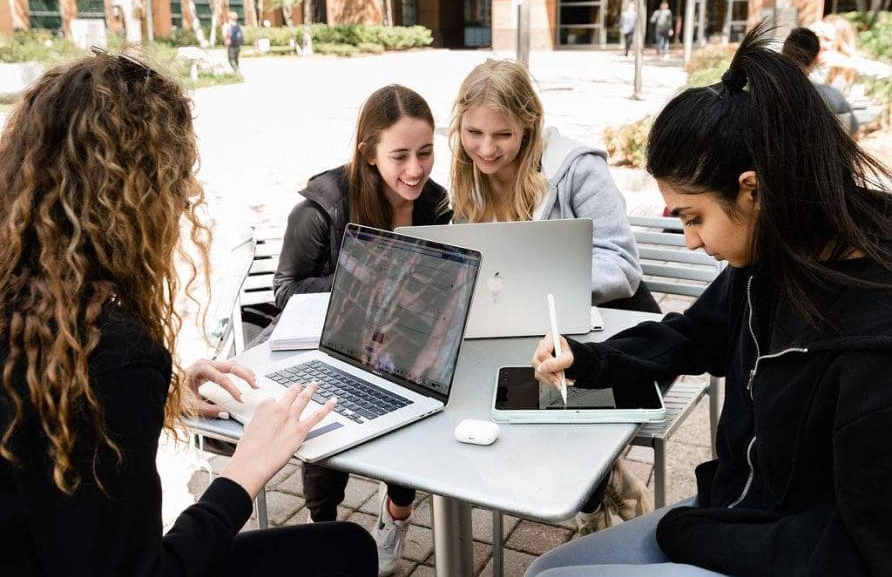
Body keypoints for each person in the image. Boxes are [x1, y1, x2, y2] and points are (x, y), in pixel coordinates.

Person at [527, 22, 892, 576]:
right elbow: (696, 334)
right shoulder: (775, 250)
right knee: (543, 571)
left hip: (781, 550)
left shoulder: (871, 344)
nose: (692, 241)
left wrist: (694, 535)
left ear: (753, 189)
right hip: (731, 514)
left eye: (695, 218)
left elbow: (857, 545)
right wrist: (591, 359)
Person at [0, 52, 377, 575]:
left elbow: (48, 438)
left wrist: (168, 397)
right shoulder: (113, 353)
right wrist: (244, 472)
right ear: (138, 196)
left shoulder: (29, 306)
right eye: (178, 181)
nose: (183, 204)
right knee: (345, 550)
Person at [448, 59, 653, 534]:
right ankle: (594, 488)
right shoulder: (468, 176)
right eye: (473, 132)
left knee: (537, 401)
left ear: (530, 123)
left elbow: (622, 266)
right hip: (530, 331)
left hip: (615, 331)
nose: (485, 148)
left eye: (502, 134)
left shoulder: (575, 169)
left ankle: (593, 496)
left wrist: (534, 283)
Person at [273, 84, 451, 576]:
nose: (415, 170)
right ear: (368, 153)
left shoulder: (435, 204)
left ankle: (395, 517)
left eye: (426, 152)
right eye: (399, 156)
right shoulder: (321, 206)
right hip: (332, 347)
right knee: (324, 440)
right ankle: (322, 527)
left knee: (415, 421)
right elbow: (285, 290)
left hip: (404, 346)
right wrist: (366, 281)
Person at [782, 26, 859, 134]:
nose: (828, 46)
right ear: (817, 57)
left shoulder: (763, 89)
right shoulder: (832, 96)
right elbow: (852, 136)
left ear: (783, 52)